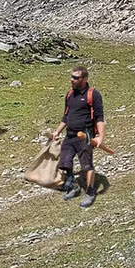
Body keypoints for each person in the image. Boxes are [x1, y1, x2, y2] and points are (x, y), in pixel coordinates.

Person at [50, 66, 106, 208]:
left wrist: (100, 137)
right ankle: (74, 187)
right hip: (70, 134)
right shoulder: (70, 94)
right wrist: (57, 131)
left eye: (75, 77)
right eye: (71, 77)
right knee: (64, 162)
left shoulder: (93, 94)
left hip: (85, 135)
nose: (72, 80)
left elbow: (99, 117)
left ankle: (90, 192)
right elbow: (66, 115)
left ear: (84, 79)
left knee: (86, 165)